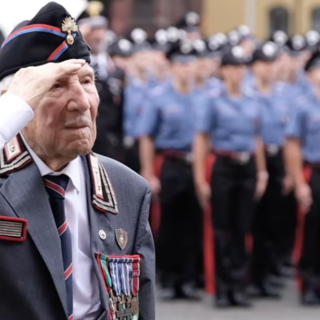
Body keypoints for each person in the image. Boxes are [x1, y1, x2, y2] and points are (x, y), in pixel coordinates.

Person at [0, 2, 155, 319]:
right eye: (56, 85)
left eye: (87, 81)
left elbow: (135, 307)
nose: (82, 102)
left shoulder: (127, 189)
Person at [194, 45, 267, 308]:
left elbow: (256, 138)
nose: (239, 72)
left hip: (246, 167)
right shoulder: (213, 100)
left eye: (242, 67)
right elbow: (201, 139)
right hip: (223, 165)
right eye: (233, 67)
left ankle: (239, 285)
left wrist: (261, 171)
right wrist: (201, 179)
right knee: (222, 228)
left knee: (242, 227)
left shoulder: (252, 98)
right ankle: (222, 288)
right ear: (223, 70)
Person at [139, 40, 202, 300]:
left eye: (190, 65)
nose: (187, 70)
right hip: (170, 162)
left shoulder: (203, 97)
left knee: (193, 222)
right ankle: (168, 278)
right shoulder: (159, 97)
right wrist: (148, 172)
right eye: (181, 65)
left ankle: (188, 279)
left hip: (194, 163)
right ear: (173, 67)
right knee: (167, 223)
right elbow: (147, 137)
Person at [248, 42, 291, 298]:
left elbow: (288, 135)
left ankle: (267, 273)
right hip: (255, 158)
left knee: (276, 219)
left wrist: (286, 170)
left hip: (277, 158)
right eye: (264, 63)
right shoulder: (246, 92)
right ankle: (252, 275)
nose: (269, 69)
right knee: (254, 221)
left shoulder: (282, 94)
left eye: (273, 63)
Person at [285, 49, 320, 305]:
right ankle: (308, 282)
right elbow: (293, 145)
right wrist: (299, 182)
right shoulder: (303, 105)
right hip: (314, 172)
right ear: (309, 75)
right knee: (311, 232)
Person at [78, 2, 126, 162]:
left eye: (101, 29)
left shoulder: (117, 71)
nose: (98, 35)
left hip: (113, 147)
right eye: (92, 30)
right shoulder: (76, 66)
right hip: (84, 144)